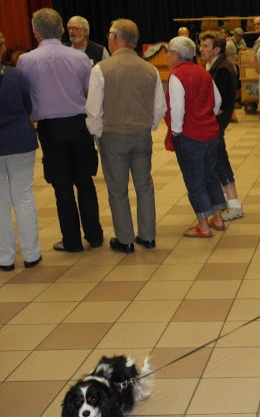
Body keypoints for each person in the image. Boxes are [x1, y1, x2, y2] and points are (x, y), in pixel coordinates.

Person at [18, 8, 103, 253]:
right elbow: (88, 92)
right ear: (62, 30)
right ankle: (95, 235)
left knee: (62, 186)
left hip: (50, 129)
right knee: (85, 182)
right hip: (78, 124)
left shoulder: (26, 60)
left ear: (35, 32)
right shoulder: (80, 58)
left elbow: (25, 96)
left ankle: (72, 241)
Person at [85, 19, 166, 253]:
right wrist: (149, 126)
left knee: (118, 189)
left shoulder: (101, 69)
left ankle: (125, 239)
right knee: (145, 186)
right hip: (141, 135)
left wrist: (98, 134)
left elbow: (93, 110)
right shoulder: (150, 69)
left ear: (114, 37)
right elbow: (159, 107)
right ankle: (148, 236)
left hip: (113, 136)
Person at [165, 35, 226, 238]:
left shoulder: (177, 75)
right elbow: (217, 101)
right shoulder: (203, 71)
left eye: (168, 52)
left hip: (190, 136)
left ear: (176, 54)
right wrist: (207, 115)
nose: (166, 56)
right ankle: (218, 218)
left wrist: (176, 131)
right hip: (210, 134)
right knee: (211, 176)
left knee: (195, 180)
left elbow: (177, 109)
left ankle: (203, 226)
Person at [0, 62, 42, 271]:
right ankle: (31, 254)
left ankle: (5, 258)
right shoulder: (15, 75)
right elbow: (29, 106)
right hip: (20, 140)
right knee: (24, 198)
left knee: (0, 202)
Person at [199, 30, 244, 221]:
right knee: (216, 161)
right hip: (214, 122)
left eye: (206, 46)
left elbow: (223, 103)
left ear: (217, 49)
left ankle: (234, 205)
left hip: (216, 123)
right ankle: (227, 201)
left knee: (220, 161)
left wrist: (207, 115)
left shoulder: (223, 68)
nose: (201, 49)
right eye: (201, 45)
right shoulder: (214, 65)